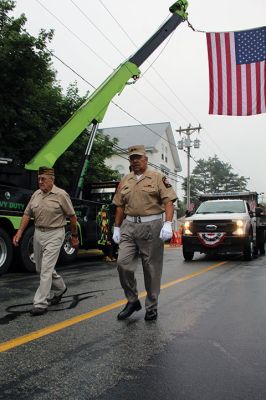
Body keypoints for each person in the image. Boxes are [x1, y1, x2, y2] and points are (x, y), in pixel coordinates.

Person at [112, 145, 177, 321]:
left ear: (146, 159)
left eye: (138, 157)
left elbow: (169, 201)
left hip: (152, 227)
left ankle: (152, 306)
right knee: (122, 264)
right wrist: (116, 227)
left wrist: (168, 224)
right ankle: (132, 300)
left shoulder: (157, 177)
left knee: (151, 269)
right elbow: (119, 205)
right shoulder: (125, 180)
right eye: (132, 158)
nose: (135, 161)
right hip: (129, 226)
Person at [13, 166, 79, 316]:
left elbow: (72, 217)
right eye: (39, 179)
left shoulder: (61, 195)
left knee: (46, 270)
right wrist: (19, 232)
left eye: (43, 179)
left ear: (52, 180)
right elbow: (26, 214)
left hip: (55, 233)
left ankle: (40, 303)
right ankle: (61, 288)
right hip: (38, 233)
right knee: (39, 268)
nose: (40, 182)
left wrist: (74, 236)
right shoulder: (36, 194)